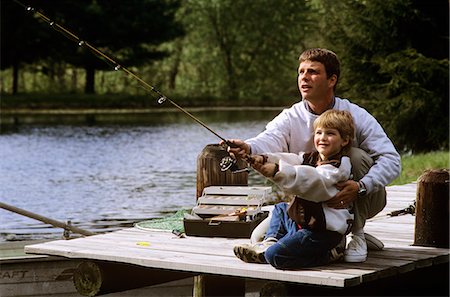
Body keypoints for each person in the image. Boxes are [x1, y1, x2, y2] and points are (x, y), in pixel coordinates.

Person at [225, 48, 401, 263]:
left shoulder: (356, 114)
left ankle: (357, 233)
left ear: (331, 80)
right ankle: (330, 240)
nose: (304, 78)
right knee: (259, 237)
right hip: (311, 204)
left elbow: (392, 160)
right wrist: (247, 147)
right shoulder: (291, 116)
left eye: (313, 72)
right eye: (301, 72)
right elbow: (268, 140)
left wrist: (362, 186)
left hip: (358, 198)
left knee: (355, 156)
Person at [234, 109, 356, 269]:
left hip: (323, 233)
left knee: (275, 257)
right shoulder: (312, 157)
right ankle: (269, 242)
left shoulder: (337, 167)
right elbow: (292, 159)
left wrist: (277, 171)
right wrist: (264, 158)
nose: (322, 138)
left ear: (345, 140)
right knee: (280, 208)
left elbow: (313, 179)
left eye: (330, 133)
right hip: (306, 224)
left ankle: (329, 254)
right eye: (319, 132)